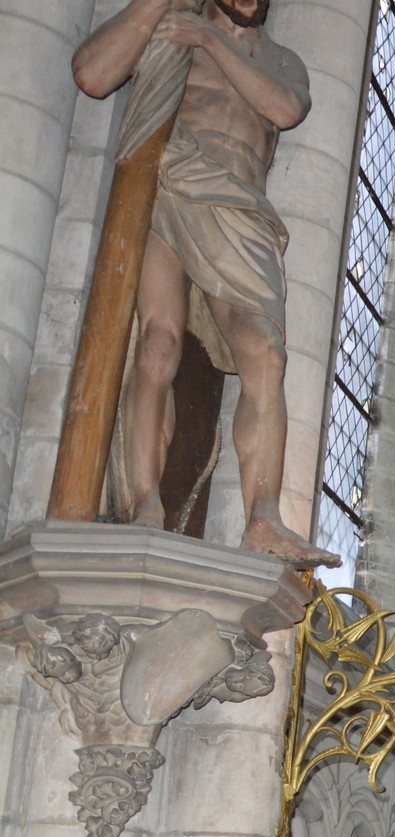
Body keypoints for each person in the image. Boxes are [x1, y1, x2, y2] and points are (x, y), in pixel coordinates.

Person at [73, 0, 337, 567]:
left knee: (266, 354)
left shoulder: (281, 59)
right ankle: (145, 502)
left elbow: (285, 109)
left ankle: (263, 515)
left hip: (240, 207)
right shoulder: (170, 26)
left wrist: (208, 40)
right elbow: (93, 74)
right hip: (170, 180)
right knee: (158, 343)